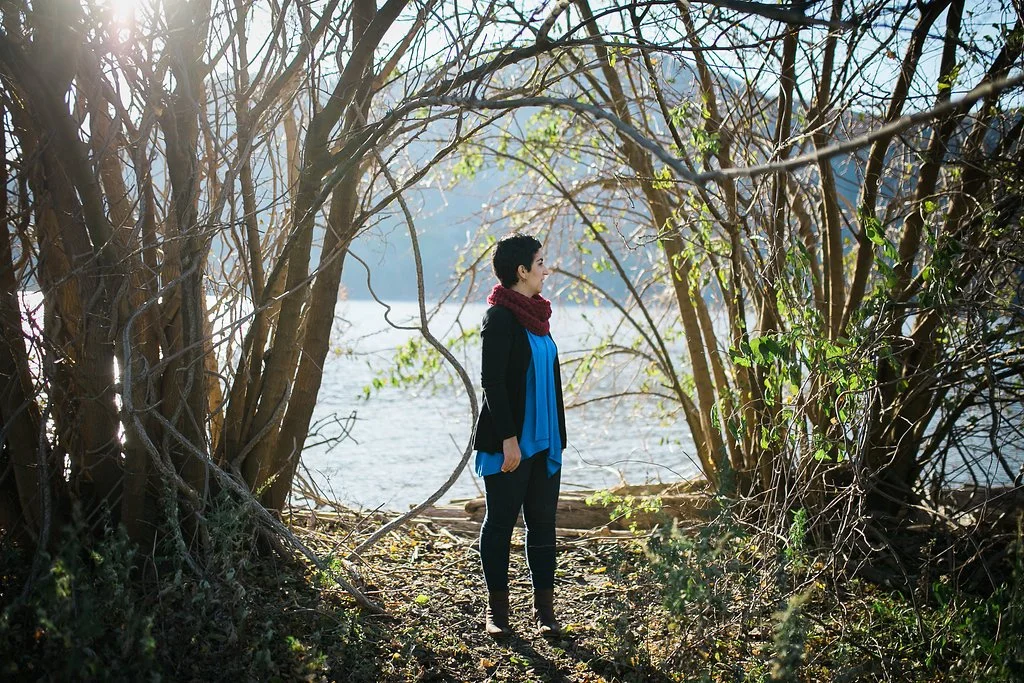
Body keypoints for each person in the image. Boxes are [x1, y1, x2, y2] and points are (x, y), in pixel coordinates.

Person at [473, 233, 567, 638]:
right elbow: (491, 381)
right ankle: (498, 613)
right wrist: (509, 438)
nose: (547, 269)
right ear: (522, 271)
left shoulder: (539, 316)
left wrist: (558, 436)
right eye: (541, 262)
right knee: (500, 523)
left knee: (543, 525)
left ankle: (545, 614)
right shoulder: (500, 317)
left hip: (545, 441)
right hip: (510, 443)